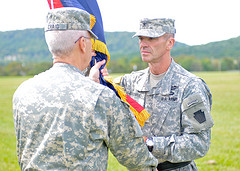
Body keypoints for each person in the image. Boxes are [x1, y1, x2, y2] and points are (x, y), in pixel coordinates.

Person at [12, 8, 158, 171]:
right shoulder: (100, 97)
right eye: (90, 40)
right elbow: (136, 158)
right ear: (83, 43)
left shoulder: (23, 92)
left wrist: (89, 83)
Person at [102, 18, 214, 170]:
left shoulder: (190, 85)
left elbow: (199, 143)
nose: (143, 44)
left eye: (152, 38)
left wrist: (151, 143)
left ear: (170, 43)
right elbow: (104, 95)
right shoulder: (131, 82)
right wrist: (100, 79)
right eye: (141, 38)